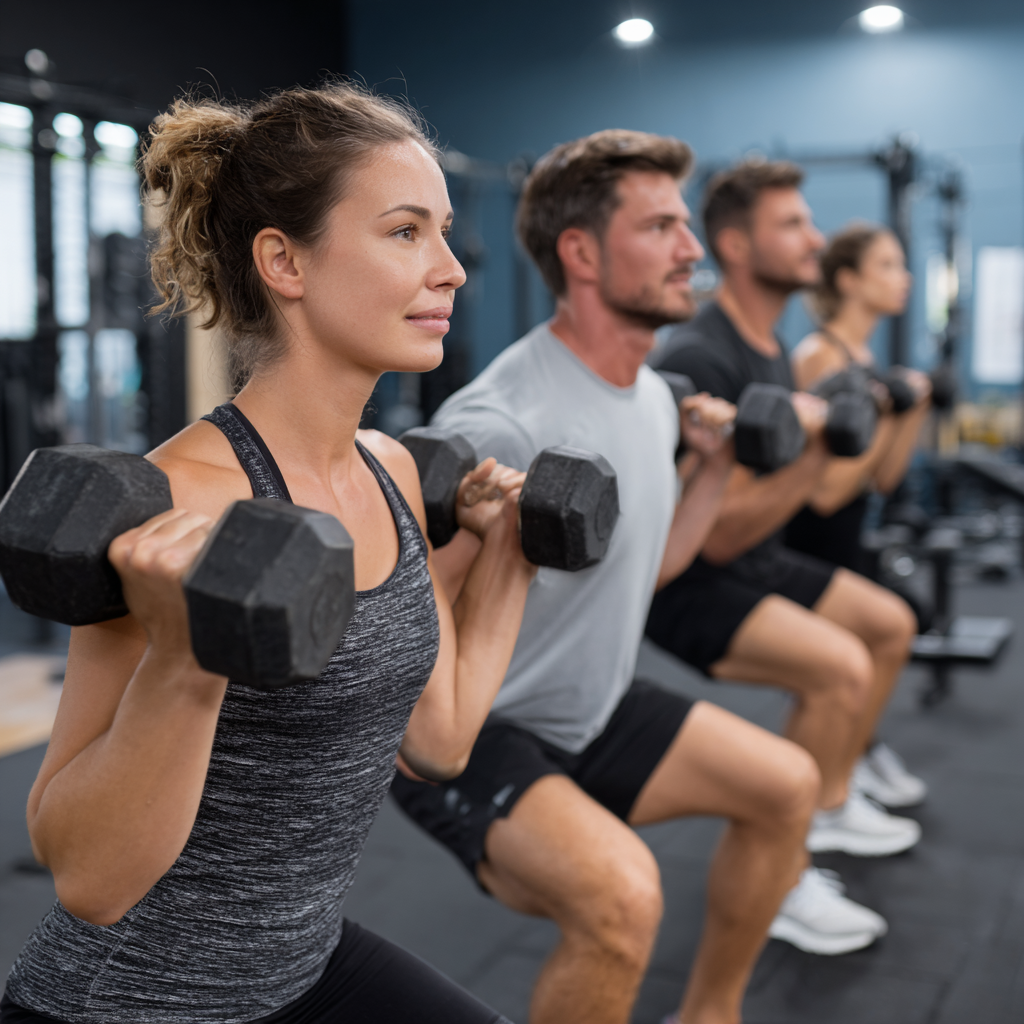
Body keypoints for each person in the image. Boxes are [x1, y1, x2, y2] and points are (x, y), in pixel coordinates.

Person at [0, 84, 538, 1024]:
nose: (451, 268)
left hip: (303, 966)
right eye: (407, 232)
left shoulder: (392, 472)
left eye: (444, 233)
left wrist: (510, 559)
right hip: (138, 1002)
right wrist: (184, 654)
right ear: (284, 261)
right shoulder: (178, 502)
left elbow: (440, 737)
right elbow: (84, 875)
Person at [392, 131, 888, 1024]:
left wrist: (708, 469)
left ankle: (711, 1013)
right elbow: (411, 636)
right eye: (662, 227)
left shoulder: (656, 398)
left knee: (787, 787)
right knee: (622, 902)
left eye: (686, 226)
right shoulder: (502, 420)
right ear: (581, 253)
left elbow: (652, 567)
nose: (693, 252)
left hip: (592, 708)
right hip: (481, 730)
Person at [647, 161, 925, 871]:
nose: (815, 239)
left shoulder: (770, 349)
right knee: (838, 666)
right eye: (793, 224)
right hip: (687, 583)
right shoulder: (703, 356)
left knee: (891, 624)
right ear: (737, 246)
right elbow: (715, 535)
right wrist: (816, 447)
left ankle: (830, 798)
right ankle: (791, 863)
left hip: (754, 558)